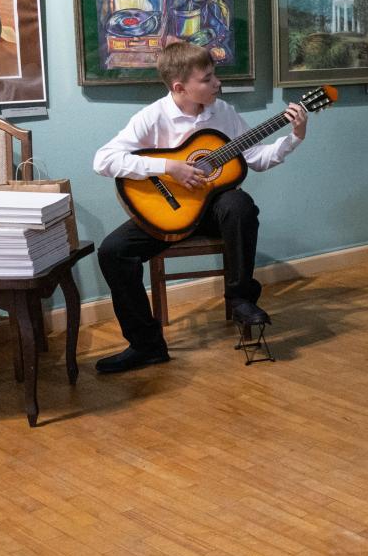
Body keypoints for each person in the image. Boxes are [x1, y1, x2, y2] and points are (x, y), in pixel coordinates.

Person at [92, 41, 308, 373]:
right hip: (169, 213)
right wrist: (169, 167)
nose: (217, 83)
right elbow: (103, 160)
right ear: (180, 87)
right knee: (112, 252)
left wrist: (295, 136)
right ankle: (146, 346)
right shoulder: (152, 116)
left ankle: (240, 299)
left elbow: (256, 158)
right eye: (207, 79)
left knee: (239, 203)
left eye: (214, 75)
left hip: (215, 214)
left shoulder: (224, 113)